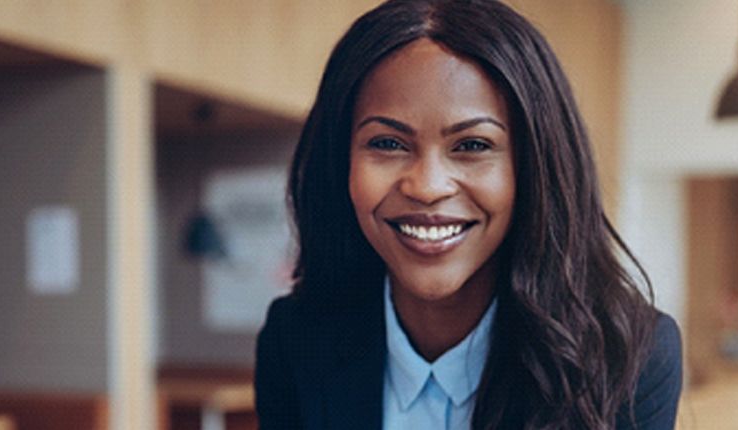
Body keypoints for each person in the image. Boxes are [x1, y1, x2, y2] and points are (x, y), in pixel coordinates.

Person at [255, 0, 682, 428]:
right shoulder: (294, 341)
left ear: (534, 166)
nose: (426, 186)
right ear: (340, 162)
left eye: (473, 145)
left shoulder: (629, 358)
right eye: (387, 143)